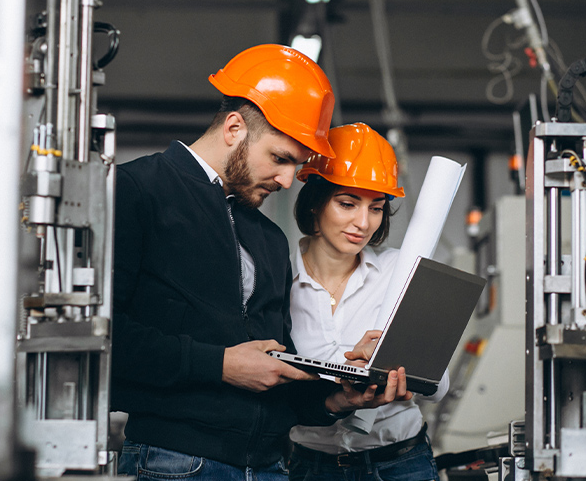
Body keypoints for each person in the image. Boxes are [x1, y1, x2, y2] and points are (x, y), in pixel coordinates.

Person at [111, 45, 411, 481]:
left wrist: (339, 395)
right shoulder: (138, 191)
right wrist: (221, 364)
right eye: (280, 158)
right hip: (176, 461)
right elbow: (106, 338)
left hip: (270, 466)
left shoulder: (268, 237)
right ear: (234, 127)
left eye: (297, 164)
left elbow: (276, 376)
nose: (289, 180)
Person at [287, 123, 448, 481]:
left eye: (376, 208)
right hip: (309, 467)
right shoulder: (278, 282)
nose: (363, 223)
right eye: (347, 203)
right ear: (315, 202)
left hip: (401, 463)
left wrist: (401, 364)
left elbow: (441, 388)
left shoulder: (400, 272)